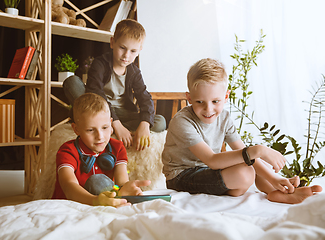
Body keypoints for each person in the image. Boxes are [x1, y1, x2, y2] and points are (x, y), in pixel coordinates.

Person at [162, 58, 322, 204]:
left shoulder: (224, 117)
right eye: (199, 102)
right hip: (183, 176)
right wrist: (258, 150)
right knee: (246, 169)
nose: (208, 109)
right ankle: (248, 185)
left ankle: (277, 190)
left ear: (226, 97)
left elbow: (240, 149)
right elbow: (212, 160)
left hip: (210, 170)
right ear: (189, 98)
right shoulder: (182, 121)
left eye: (215, 101)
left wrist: (273, 177)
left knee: (255, 162)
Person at [63, 19, 166, 151]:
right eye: (122, 48)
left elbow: (145, 98)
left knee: (160, 121)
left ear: (140, 50)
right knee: (71, 82)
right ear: (112, 43)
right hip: (99, 112)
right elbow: (96, 94)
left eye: (133, 51)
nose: (126, 55)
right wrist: (116, 124)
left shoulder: (134, 72)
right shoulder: (99, 64)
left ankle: (116, 130)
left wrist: (145, 124)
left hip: (125, 114)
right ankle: (108, 127)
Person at [52, 92, 151, 207]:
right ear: (76, 129)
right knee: (96, 181)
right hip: (71, 206)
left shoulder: (117, 147)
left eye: (105, 128)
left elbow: (121, 182)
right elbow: (69, 186)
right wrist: (96, 200)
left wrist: (124, 190)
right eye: (90, 130)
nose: (100, 136)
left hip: (102, 203)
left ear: (111, 124)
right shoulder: (67, 151)